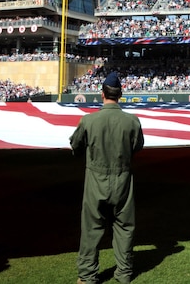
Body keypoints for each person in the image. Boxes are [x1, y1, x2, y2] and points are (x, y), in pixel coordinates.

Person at [70, 72, 144, 284]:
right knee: (124, 227)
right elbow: (138, 146)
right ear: (120, 94)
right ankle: (124, 273)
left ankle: (87, 276)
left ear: (102, 94)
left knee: (91, 228)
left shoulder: (88, 120)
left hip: (96, 179)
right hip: (123, 179)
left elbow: (75, 146)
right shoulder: (132, 121)